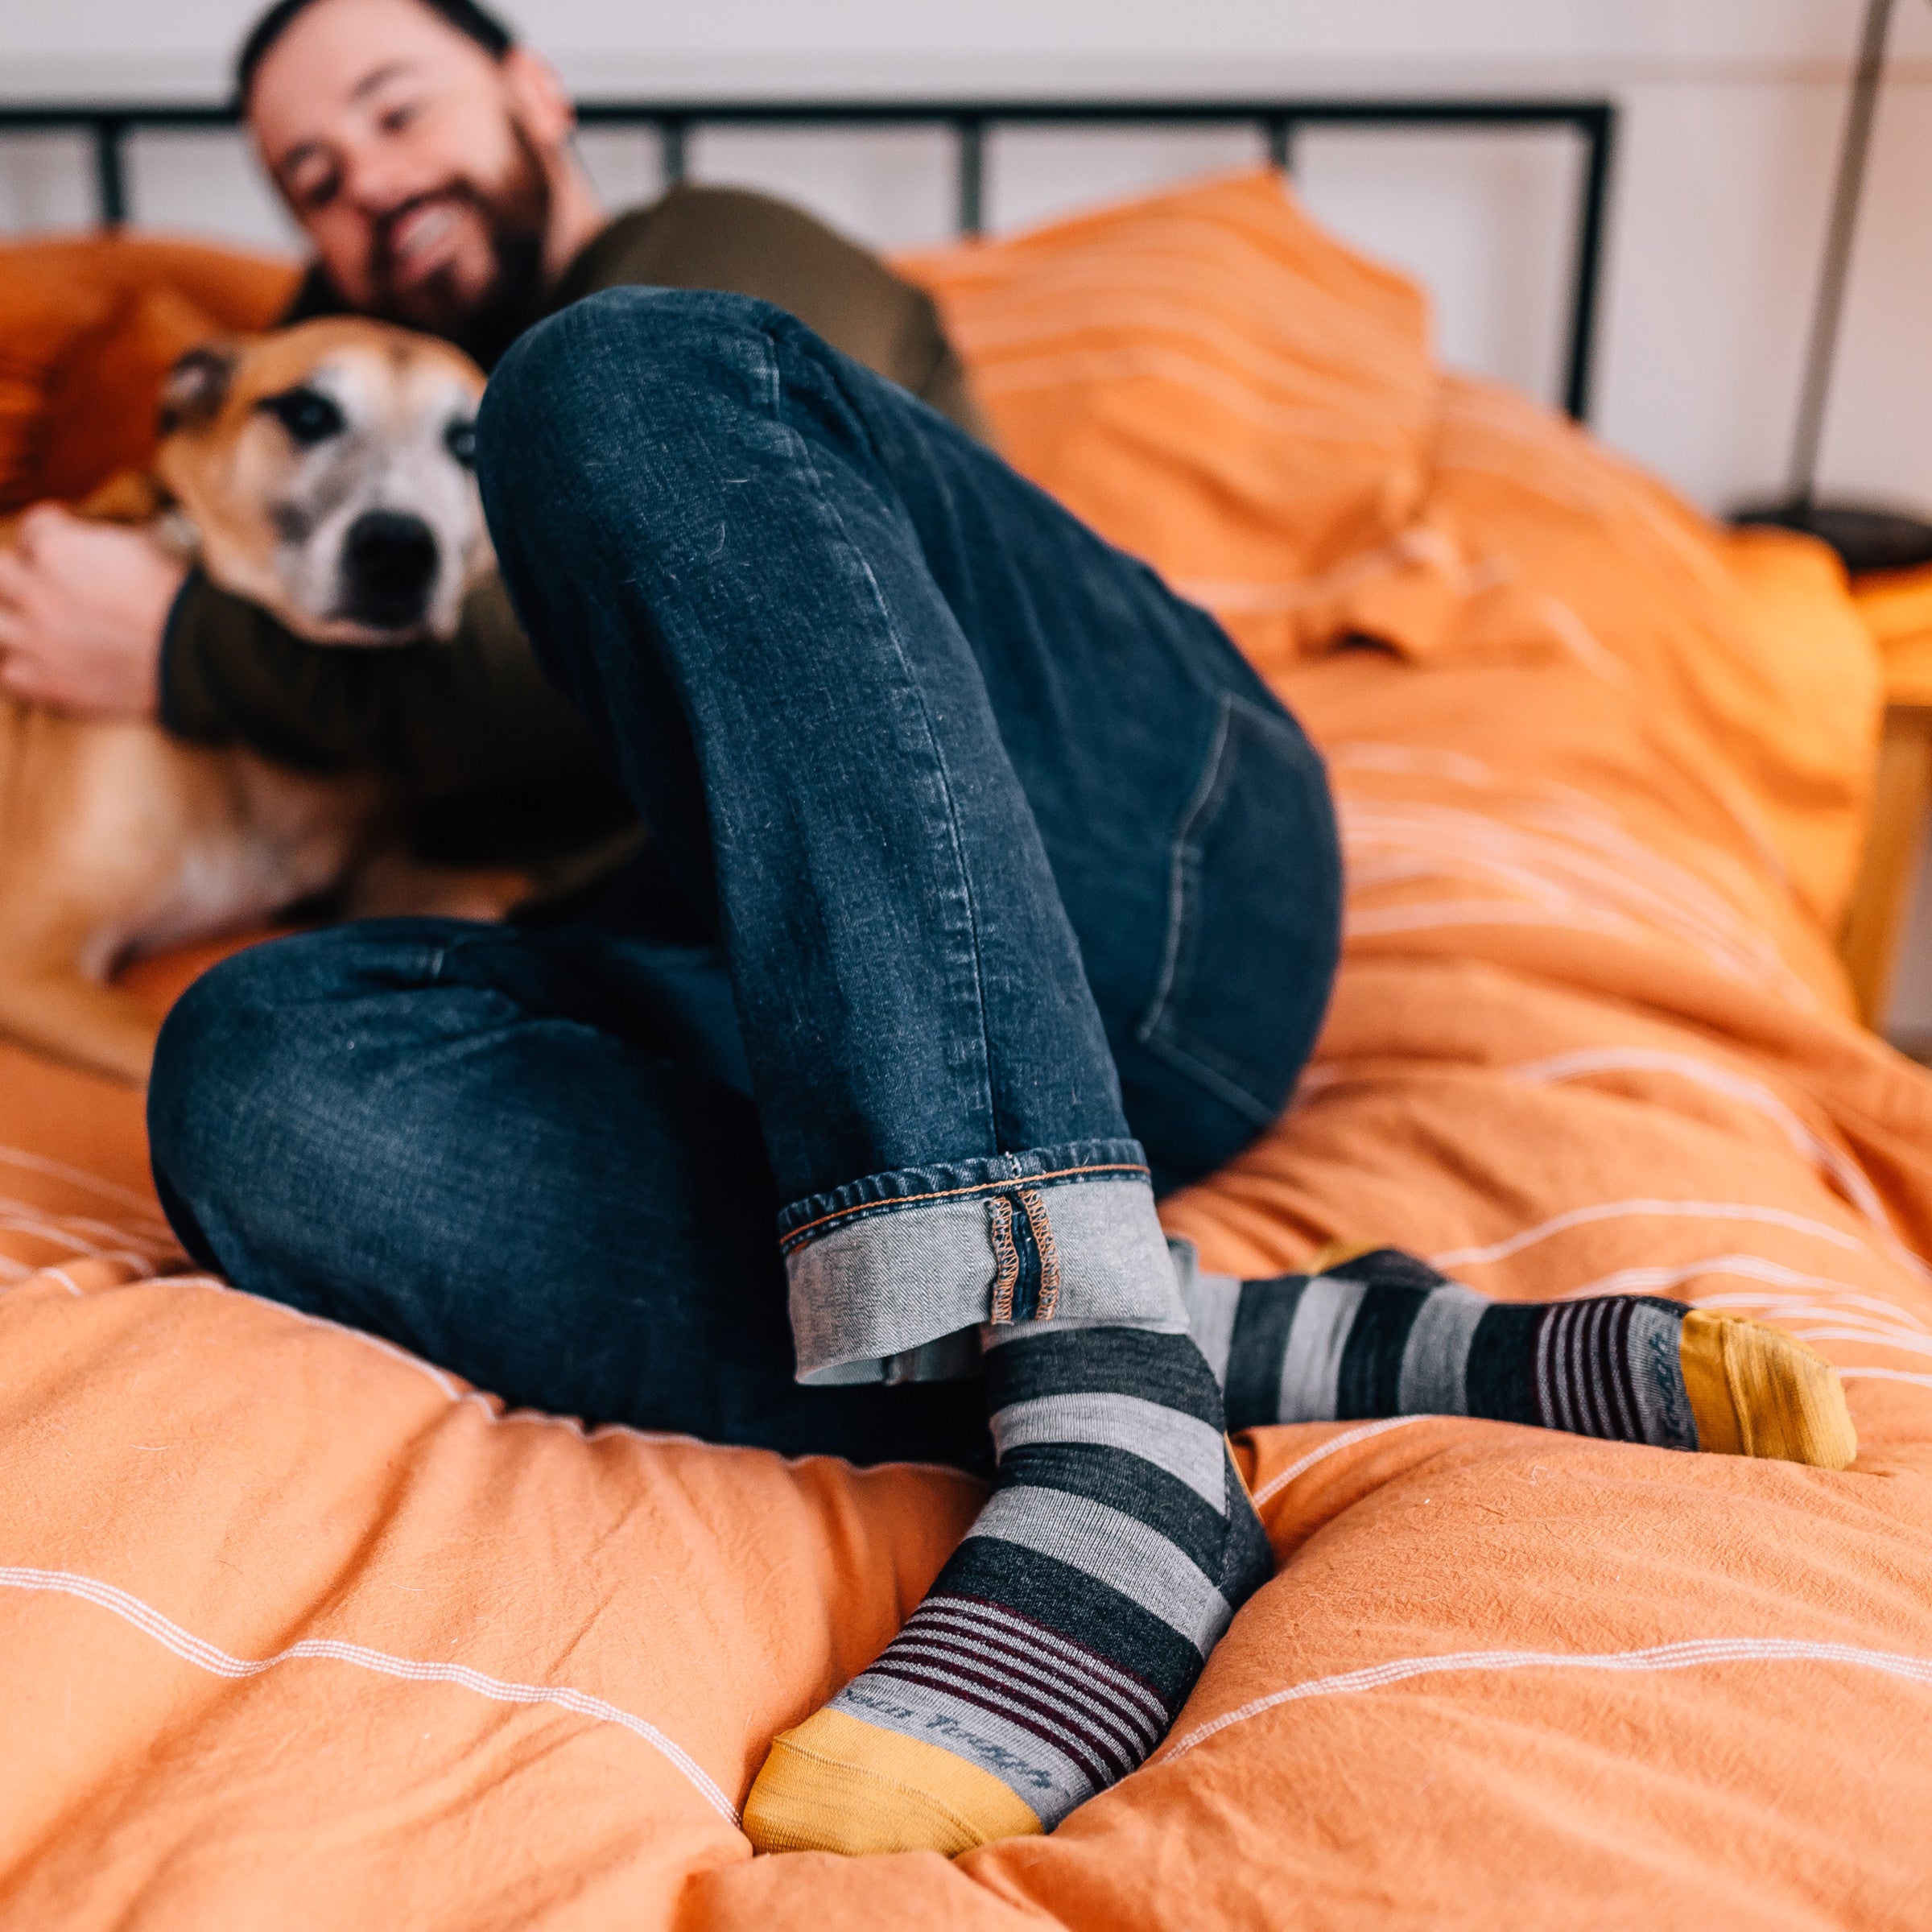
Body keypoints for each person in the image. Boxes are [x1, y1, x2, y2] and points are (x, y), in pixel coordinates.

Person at [16, 0, 1857, 1861]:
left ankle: (1112, 1451)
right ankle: (1213, 1334)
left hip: (1144, 871)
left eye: (397, 109)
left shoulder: (677, 284)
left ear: (533, 91)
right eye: (313, 180)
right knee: (258, 1076)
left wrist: (189, 647)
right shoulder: (390, 512)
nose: (372, 187)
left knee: (610, 383)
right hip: (840, 1040)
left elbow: (547, 659)